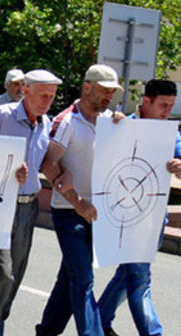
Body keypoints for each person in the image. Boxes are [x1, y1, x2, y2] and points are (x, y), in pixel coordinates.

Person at [35, 64, 124, 336]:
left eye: (112, 91)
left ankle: (47, 331)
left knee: (70, 278)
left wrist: (124, 126)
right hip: (69, 213)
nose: (109, 96)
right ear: (87, 87)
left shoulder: (109, 120)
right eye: (104, 90)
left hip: (96, 214)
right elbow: (49, 164)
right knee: (84, 279)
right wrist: (78, 201)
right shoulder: (67, 122)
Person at [0, 69, 62, 336]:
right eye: (43, 95)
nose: (48, 101)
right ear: (25, 91)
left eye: (52, 96)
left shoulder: (45, 124)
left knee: (14, 279)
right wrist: (4, 171)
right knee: (2, 275)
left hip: (28, 208)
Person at [98, 79, 181, 336]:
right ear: (147, 101)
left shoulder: (170, 134)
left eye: (172, 105)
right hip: (124, 217)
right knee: (140, 280)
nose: (168, 111)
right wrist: (115, 129)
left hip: (153, 219)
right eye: (163, 105)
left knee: (128, 275)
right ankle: (153, 333)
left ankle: (97, 320)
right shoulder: (123, 125)